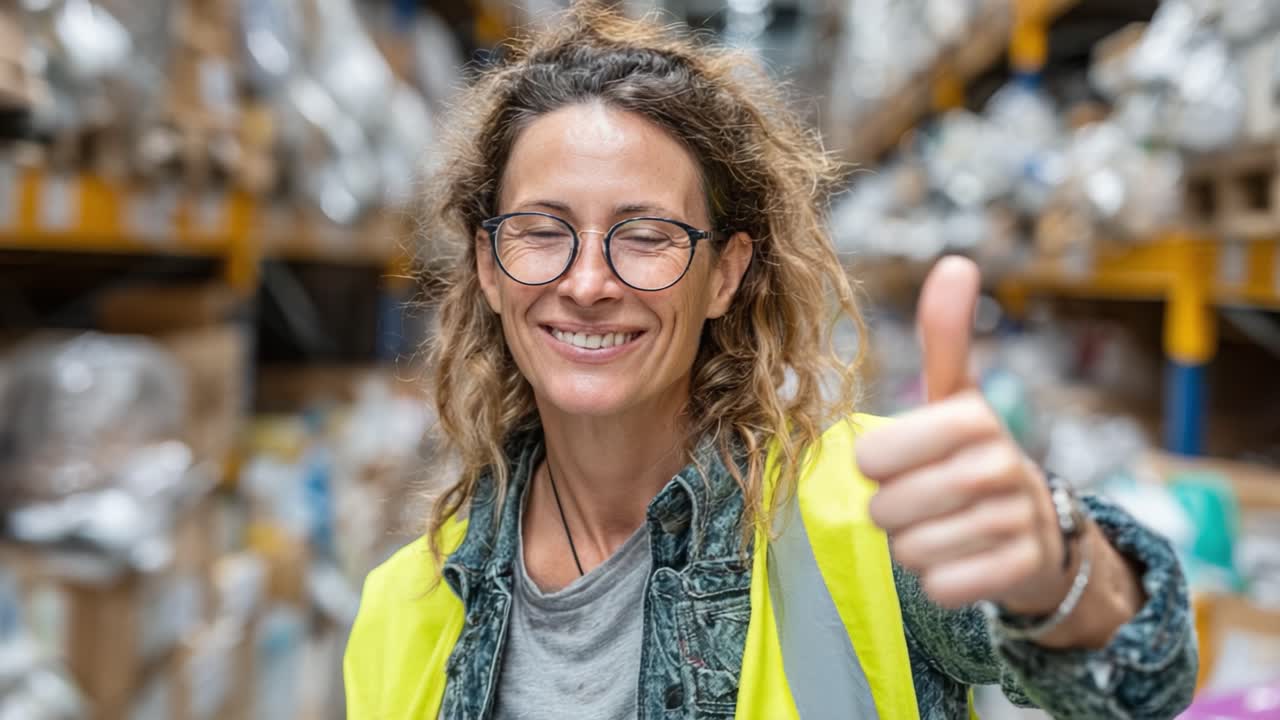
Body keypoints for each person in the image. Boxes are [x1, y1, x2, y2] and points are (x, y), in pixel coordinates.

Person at [344, 7, 1197, 719]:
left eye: (646, 236)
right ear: (490, 268)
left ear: (726, 273)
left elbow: (1135, 681)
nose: (590, 282)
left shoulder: (863, 509)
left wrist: (1060, 570)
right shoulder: (400, 607)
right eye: (541, 232)